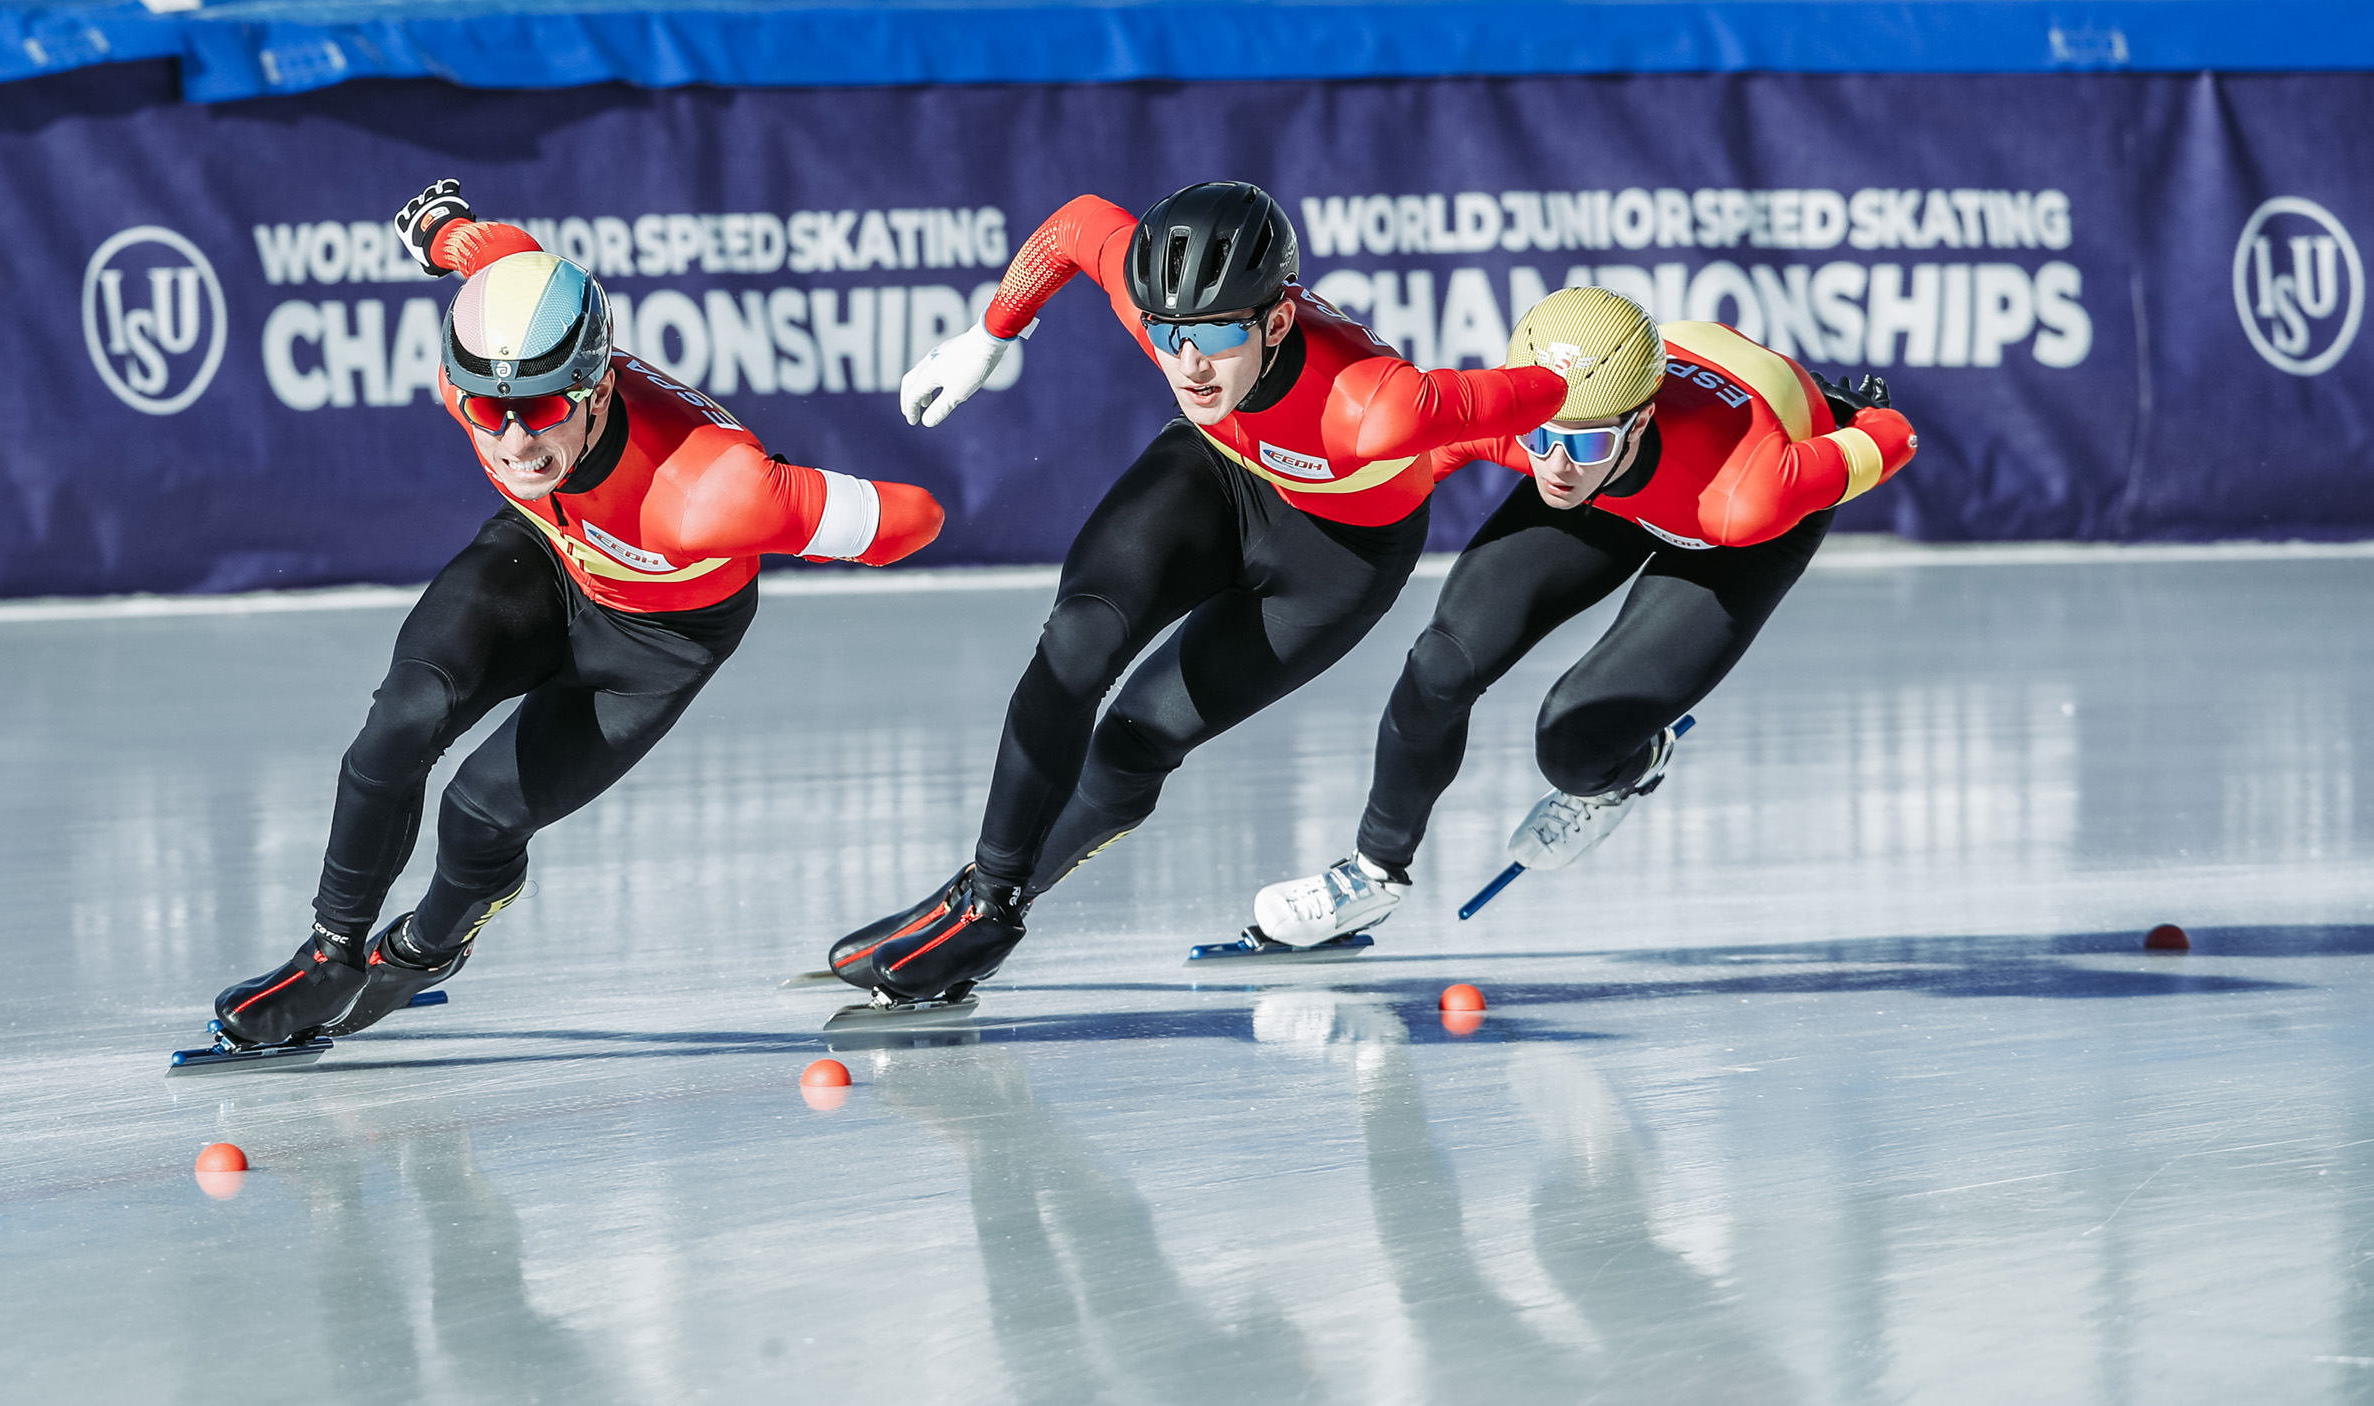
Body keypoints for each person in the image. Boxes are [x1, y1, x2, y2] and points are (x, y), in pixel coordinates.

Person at [207, 179, 944, 1051]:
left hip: (659, 639)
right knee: (401, 721)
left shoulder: (712, 494)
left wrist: (789, 501)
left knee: (480, 813)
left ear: (597, 388)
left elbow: (918, 517)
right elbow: (489, 249)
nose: (516, 441)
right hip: (544, 557)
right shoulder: (479, 371)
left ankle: (429, 947)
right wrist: (444, 226)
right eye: (489, 409)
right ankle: (329, 958)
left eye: (545, 408)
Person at [826, 181, 1572, 1006]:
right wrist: (989, 332)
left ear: (1278, 321)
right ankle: (986, 901)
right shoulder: (1162, 310)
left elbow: (1546, 390)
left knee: (1136, 741)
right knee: (1076, 644)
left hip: (1337, 559)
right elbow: (1075, 226)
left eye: (1217, 335)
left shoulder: (1375, 405)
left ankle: (996, 897)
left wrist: (1598, 392)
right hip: (1213, 474)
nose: (1189, 363)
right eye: (1168, 334)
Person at [1251, 287, 1917, 944]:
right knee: (1440, 664)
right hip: (1640, 478)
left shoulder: (1748, 493)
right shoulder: (1539, 440)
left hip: (1724, 499)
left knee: (1575, 749)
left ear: (1641, 420)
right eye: (1538, 436)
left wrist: (1857, 419)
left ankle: (1632, 766)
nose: (1558, 466)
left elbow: (1897, 440)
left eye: (1588, 444)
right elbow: (1394, 473)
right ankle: (1372, 875)